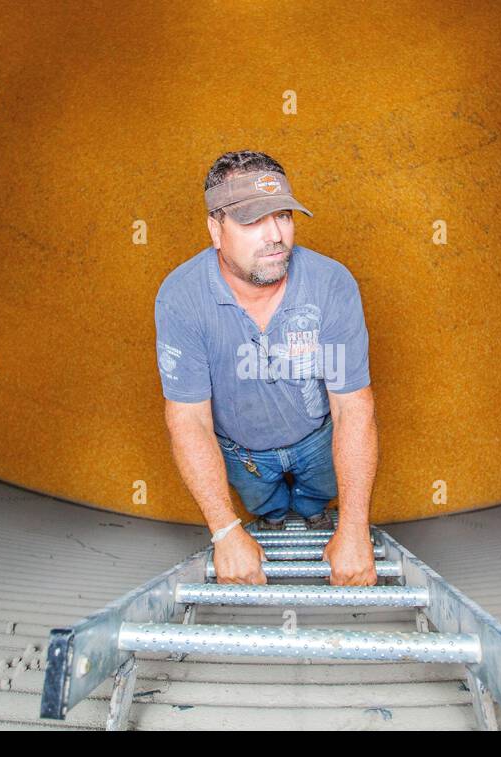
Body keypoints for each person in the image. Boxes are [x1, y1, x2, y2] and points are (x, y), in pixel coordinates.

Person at [154, 150, 379, 586]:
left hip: (317, 438)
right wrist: (225, 531)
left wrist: (353, 528)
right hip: (242, 451)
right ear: (215, 230)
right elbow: (189, 419)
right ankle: (275, 516)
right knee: (264, 503)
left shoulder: (331, 284)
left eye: (283, 216)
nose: (276, 235)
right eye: (253, 221)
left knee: (319, 495)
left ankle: (313, 512)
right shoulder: (181, 297)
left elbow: (354, 408)